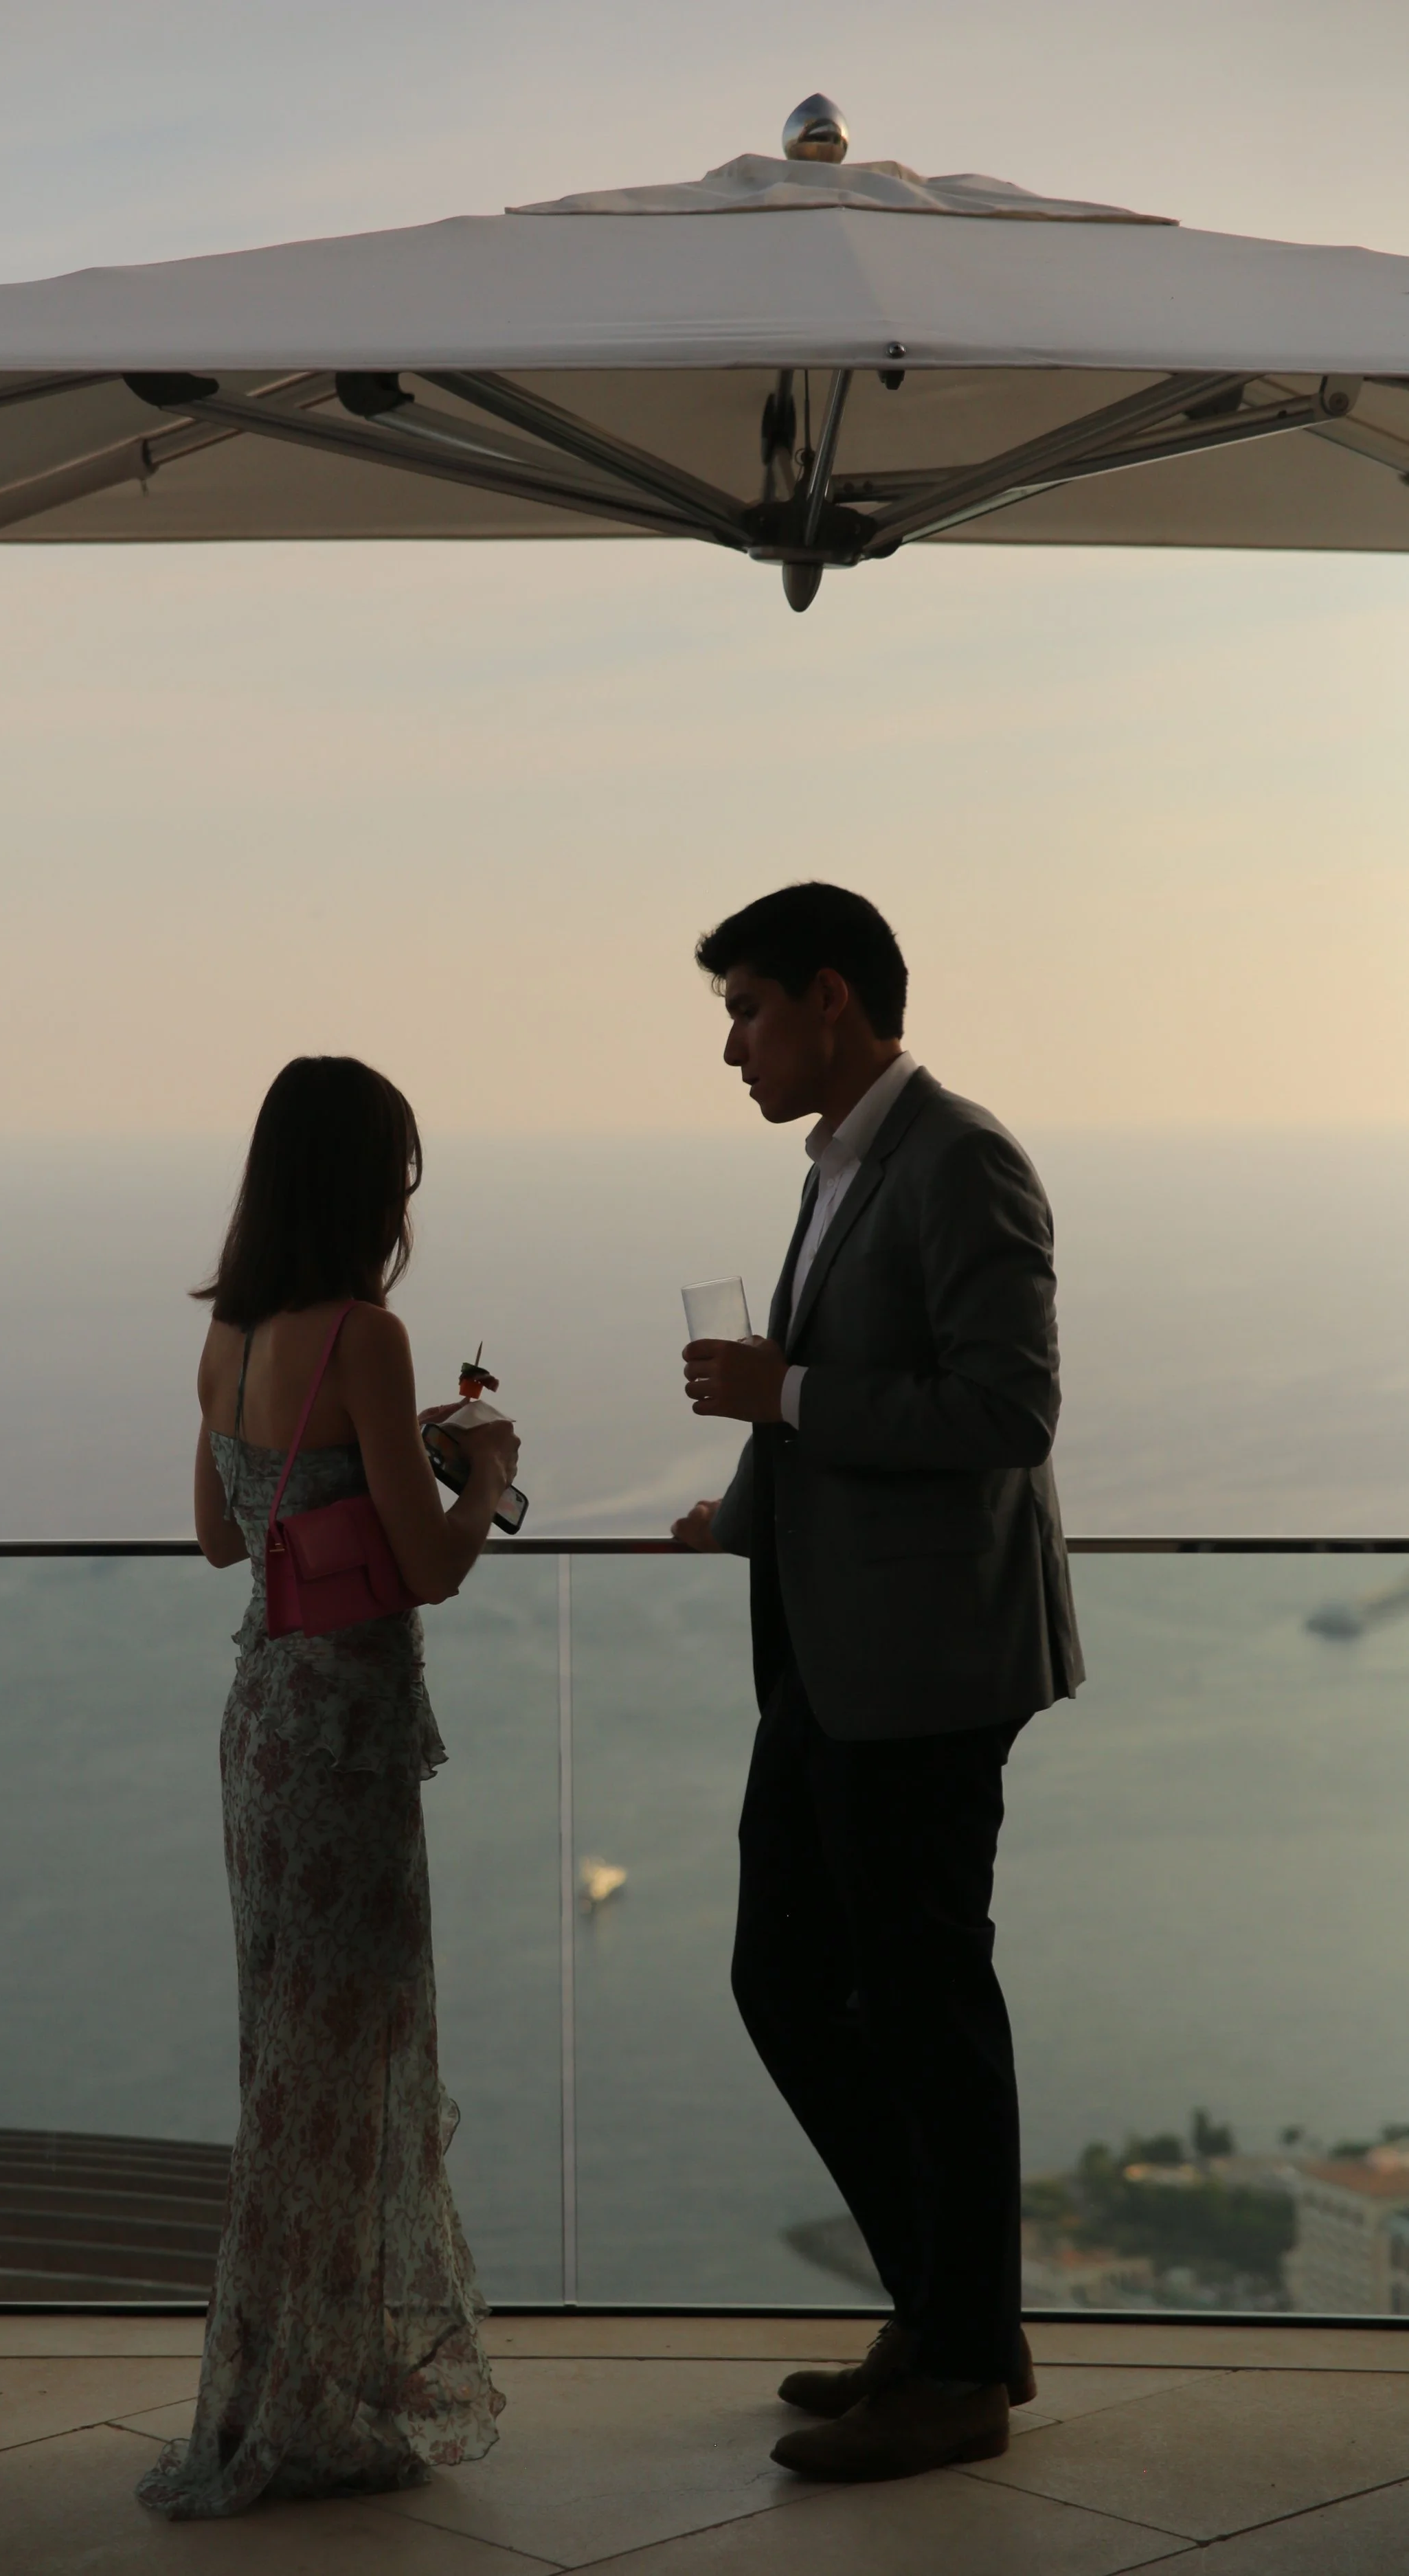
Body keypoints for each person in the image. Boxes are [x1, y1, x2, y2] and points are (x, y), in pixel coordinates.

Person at [673, 883, 1081, 2484]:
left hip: (922, 1666)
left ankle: (960, 2365)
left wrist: (789, 1391)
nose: (731, 1050)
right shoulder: (842, 1170)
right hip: (837, 1652)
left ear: (829, 1000)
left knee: (923, 2004)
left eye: (747, 1011)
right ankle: (944, 2310)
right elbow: (839, 1411)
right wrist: (751, 1506)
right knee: (785, 1974)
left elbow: (1004, 1412)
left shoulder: (957, 1158)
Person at [137, 1054, 517, 2519]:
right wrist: (477, 1471)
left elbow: (221, 1539)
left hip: (260, 1725)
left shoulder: (228, 1337)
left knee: (286, 2068)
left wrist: (377, 1473)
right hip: (349, 1741)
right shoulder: (369, 1333)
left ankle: (275, 2384)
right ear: (365, 1185)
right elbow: (424, 1568)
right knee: (346, 2071)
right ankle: (311, 2404)